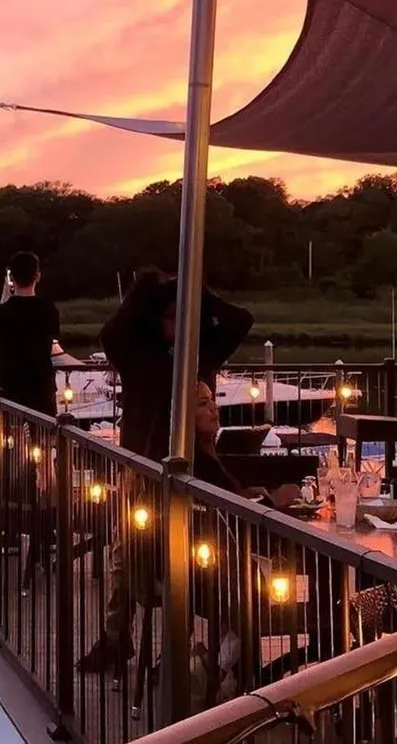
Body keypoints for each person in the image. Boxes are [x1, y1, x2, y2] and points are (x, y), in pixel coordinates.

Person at [80, 380, 295, 674]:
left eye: (213, 402)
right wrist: (275, 500)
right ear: (181, 415)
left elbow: (227, 500)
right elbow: (227, 509)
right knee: (256, 592)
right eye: (204, 404)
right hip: (192, 575)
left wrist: (252, 495)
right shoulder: (192, 464)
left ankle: (207, 667)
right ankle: (216, 672)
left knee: (251, 584)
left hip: (176, 569)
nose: (215, 410)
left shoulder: (177, 458)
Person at [100, 269, 253, 460]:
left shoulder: (202, 351)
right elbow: (110, 332)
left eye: (186, 316)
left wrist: (199, 294)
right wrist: (149, 293)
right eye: (172, 317)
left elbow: (241, 320)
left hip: (195, 457)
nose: (180, 323)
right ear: (155, 320)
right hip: (143, 456)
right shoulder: (136, 355)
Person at [0, 251, 60, 417]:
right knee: (44, 437)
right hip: (42, 385)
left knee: (10, 437)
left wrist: (5, 296)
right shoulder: (48, 309)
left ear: (13, 278)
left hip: (10, 385)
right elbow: (52, 338)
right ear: (37, 276)